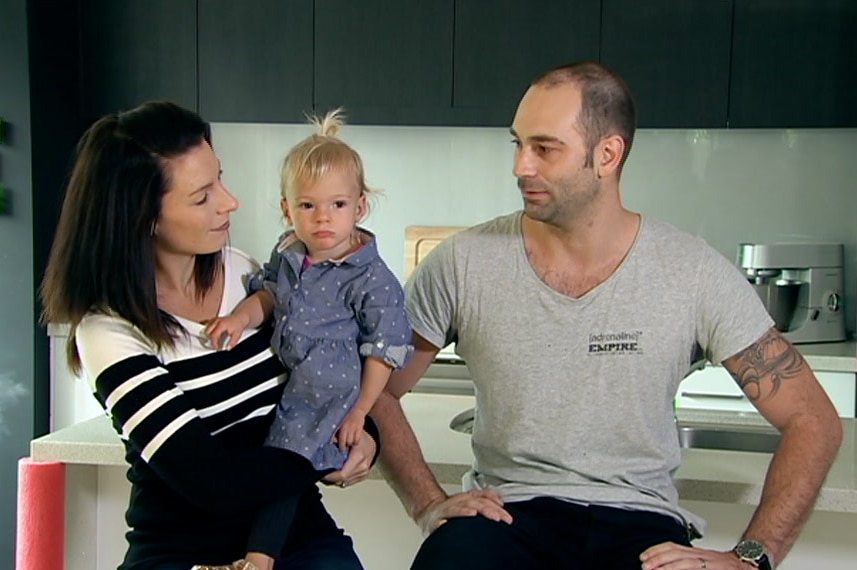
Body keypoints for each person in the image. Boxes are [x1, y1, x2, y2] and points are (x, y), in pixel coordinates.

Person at [371, 61, 844, 570]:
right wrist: (425, 503)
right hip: (504, 518)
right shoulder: (462, 264)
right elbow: (377, 391)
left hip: (641, 526)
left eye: (545, 148)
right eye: (518, 144)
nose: (520, 166)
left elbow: (813, 420)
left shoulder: (691, 270)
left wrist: (751, 557)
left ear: (608, 154)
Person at [39, 101, 379, 570]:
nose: (230, 201)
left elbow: (324, 372)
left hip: (294, 535)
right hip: (180, 552)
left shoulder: (244, 273)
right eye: (202, 196)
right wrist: (320, 454)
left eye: (219, 178)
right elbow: (210, 482)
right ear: (145, 217)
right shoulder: (108, 332)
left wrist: (367, 435)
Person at [203, 108, 413, 570]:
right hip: (289, 378)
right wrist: (239, 318)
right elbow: (270, 296)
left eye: (337, 206)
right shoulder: (289, 252)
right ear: (287, 208)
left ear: (360, 207)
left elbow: (384, 350)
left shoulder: (371, 278)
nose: (323, 219)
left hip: (327, 388)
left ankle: (257, 560)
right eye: (307, 206)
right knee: (275, 463)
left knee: (287, 462)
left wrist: (360, 411)